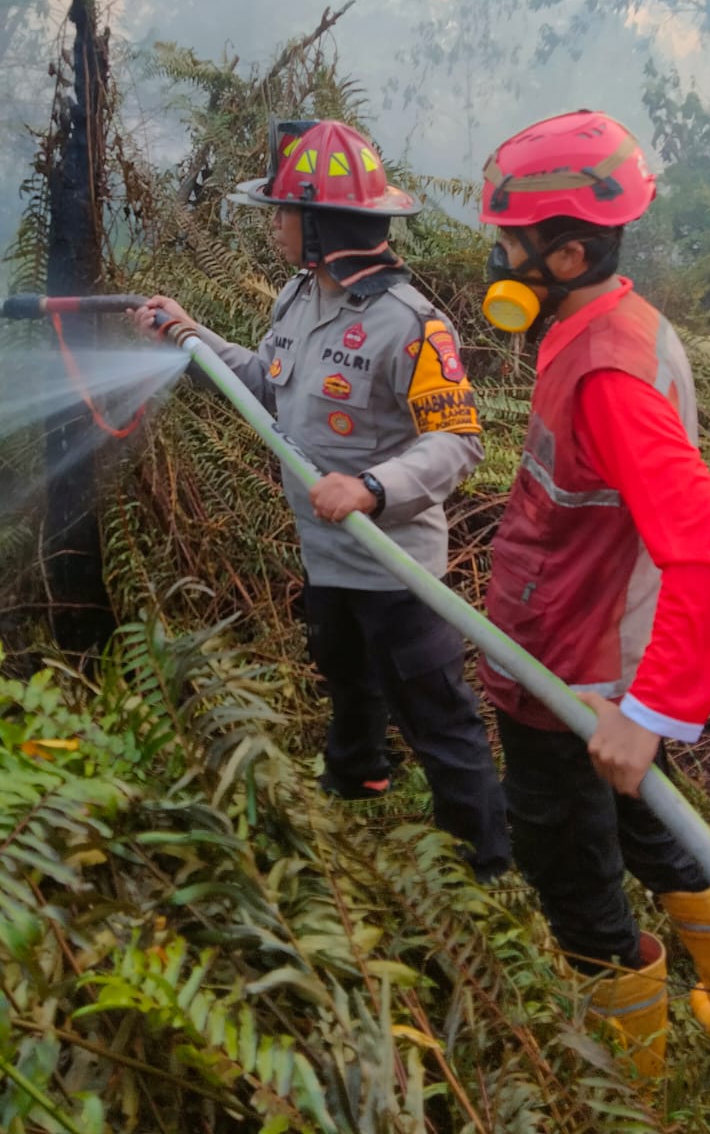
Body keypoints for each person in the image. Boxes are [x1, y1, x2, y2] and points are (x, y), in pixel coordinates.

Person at [136, 116, 510, 882]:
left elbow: (458, 441)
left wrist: (373, 489)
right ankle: (357, 781)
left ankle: (485, 864)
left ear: (322, 226)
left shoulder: (412, 326)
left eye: (282, 213)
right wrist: (190, 335)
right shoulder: (298, 299)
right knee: (343, 673)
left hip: (397, 569)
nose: (272, 226)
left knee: (437, 716)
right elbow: (265, 385)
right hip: (326, 556)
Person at [477, 108, 710, 1073]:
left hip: (575, 675)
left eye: (511, 243)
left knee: (572, 874)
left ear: (568, 255)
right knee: (645, 825)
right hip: (574, 647)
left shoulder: (608, 373)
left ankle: (632, 1092)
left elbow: (703, 544)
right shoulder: (605, 319)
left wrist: (650, 711)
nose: (498, 258)